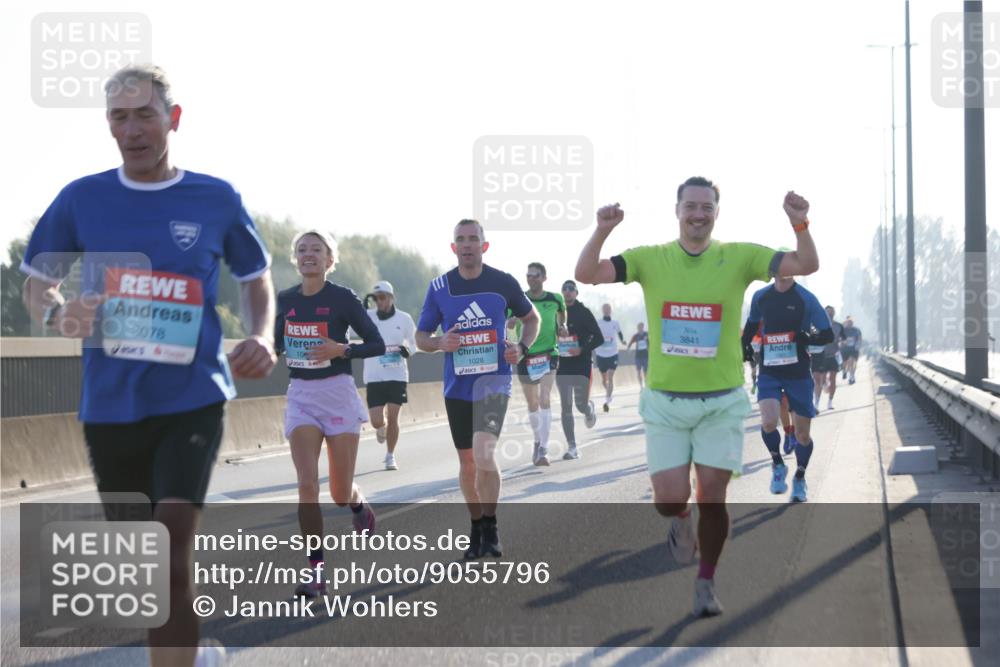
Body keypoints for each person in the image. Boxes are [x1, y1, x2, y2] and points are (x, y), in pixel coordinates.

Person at [20, 64, 275, 667]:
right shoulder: (81, 198)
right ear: (107, 124)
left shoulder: (214, 197)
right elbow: (37, 288)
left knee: (170, 549)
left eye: (144, 115)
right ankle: (197, 653)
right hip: (110, 404)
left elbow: (256, 277)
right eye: (119, 117)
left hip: (193, 394)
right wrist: (60, 317)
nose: (132, 129)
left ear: (173, 119)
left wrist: (261, 335)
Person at [575, 176, 818, 617]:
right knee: (669, 499)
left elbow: (806, 265)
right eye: (691, 206)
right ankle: (680, 523)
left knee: (712, 496)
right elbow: (586, 274)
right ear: (677, 210)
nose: (698, 214)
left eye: (707, 207)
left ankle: (706, 581)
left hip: (721, 401)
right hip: (667, 402)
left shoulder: (739, 256)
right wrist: (603, 230)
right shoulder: (651, 259)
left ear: (716, 213)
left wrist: (800, 224)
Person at [416, 219, 538, 559]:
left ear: (485, 245)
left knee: (485, 453)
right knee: (468, 464)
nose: (467, 245)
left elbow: (532, 320)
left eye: (473, 239)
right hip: (457, 387)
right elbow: (421, 338)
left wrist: (522, 349)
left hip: (494, 380)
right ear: (453, 247)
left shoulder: (503, 282)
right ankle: (476, 527)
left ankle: (492, 525)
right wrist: (441, 342)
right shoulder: (439, 286)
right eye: (461, 240)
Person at [275, 230, 385, 598]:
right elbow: (276, 345)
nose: (308, 255)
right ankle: (316, 572)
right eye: (302, 250)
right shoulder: (285, 300)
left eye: (316, 250)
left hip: (337, 394)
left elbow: (377, 343)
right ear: (296, 258)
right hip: (302, 396)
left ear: (329, 260)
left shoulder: (342, 298)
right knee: (307, 485)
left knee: (338, 492)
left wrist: (341, 349)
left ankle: (357, 503)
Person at [742, 275, 833, 502]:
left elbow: (827, 334)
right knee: (769, 421)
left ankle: (800, 477)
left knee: (803, 435)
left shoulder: (805, 298)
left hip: (798, 373)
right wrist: (744, 347)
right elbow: (751, 325)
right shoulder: (761, 296)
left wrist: (806, 337)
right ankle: (778, 464)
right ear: (773, 270)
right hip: (770, 371)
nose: (785, 270)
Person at [507, 262, 566, 466]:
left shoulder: (555, 299)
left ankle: (544, 449)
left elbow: (562, 313)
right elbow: (508, 323)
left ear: (544, 278)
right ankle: (537, 440)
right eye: (528, 275)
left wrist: (562, 326)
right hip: (527, 355)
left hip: (549, 353)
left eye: (535, 275)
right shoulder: (519, 299)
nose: (531, 278)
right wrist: (511, 324)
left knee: (544, 398)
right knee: (532, 403)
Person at [357, 280, 416, 470]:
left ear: (391, 298)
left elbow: (414, 343)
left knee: (393, 416)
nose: (379, 302)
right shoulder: (367, 317)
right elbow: (349, 330)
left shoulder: (404, 318)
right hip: (374, 375)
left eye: (382, 297)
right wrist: (359, 312)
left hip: (397, 375)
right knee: (376, 421)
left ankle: (390, 456)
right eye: (376, 298)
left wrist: (408, 351)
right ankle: (380, 428)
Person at [556, 280, 603, 459]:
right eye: (564, 289)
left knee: (580, 405)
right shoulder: (556, 314)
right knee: (566, 406)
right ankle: (572, 447)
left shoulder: (584, 312)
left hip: (582, 364)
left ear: (576, 293)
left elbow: (599, 338)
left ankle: (588, 408)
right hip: (562, 365)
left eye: (571, 289)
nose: (567, 292)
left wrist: (582, 349)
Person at [812, 305, 846, 410]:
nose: (829, 314)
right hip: (820, 356)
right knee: (819, 381)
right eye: (827, 312)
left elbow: (843, 339)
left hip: (833, 356)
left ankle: (830, 402)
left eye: (831, 312)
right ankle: (816, 404)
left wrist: (841, 344)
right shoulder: (816, 325)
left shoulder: (838, 326)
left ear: (833, 313)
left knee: (833, 379)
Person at [595, 303, 626, 411]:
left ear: (611, 310)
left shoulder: (615, 323)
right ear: (602, 310)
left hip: (613, 354)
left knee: (610, 377)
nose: (607, 310)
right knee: (604, 380)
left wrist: (622, 340)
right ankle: (608, 392)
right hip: (600, 354)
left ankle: (607, 400)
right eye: (605, 309)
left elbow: (619, 333)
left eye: (608, 309)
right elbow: (593, 333)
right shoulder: (598, 322)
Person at [627, 322, 650, 388]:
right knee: (638, 371)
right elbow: (630, 343)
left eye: (641, 327)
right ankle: (641, 386)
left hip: (645, 355)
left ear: (643, 327)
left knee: (645, 371)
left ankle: (646, 385)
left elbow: (651, 342)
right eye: (639, 327)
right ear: (637, 328)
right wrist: (629, 349)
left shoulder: (647, 334)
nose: (640, 328)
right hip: (638, 356)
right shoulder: (635, 336)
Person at [841, 316, 862, 384]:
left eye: (851, 322)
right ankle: (844, 371)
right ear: (846, 323)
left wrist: (858, 344)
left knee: (852, 362)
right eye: (848, 322)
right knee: (845, 363)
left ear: (852, 323)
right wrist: (843, 342)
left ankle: (852, 376)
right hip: (845, 349)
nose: (850, 323)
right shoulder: (843, 330)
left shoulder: (856, 330)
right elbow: (839, 338)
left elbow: (859, 338)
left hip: (854, 349)